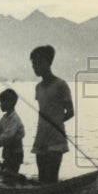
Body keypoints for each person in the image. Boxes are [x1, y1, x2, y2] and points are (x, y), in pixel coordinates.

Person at [30, 45, 73, 184]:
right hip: (41, 136)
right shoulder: (38, 87)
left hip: (56, 138)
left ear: (48, 62)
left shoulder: (61, 84)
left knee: (52, 179)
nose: (35, 67)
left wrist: (57, 122)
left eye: (38, 62)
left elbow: (70, 112)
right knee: (42, 178)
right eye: (33, 64)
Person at [0, 88, 25, 175]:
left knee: (11, 173)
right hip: (7, 152)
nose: (0, 105)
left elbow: (8, 136)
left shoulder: (15, 119)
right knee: (6, 171)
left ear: (10, 103)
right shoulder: (4, 118)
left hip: (15, 153)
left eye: (2, 102)